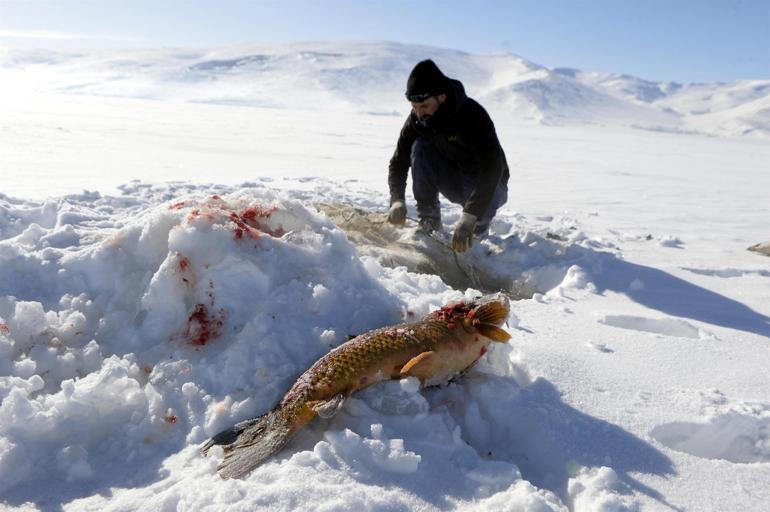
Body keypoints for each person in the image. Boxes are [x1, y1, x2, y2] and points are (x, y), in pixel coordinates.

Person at [386, 59, 509, 253]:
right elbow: (398, 161)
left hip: (489, 186)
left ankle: (478, 228)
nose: (419, 113)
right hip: (452, 178)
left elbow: (492, 169)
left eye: (424, 106)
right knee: (420, 147)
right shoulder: (418, 120)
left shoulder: (472, 115)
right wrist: (397, 199)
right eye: (414, 107)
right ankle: (429, 219)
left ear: (441, 97)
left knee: (481, 205)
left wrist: (470, 216)